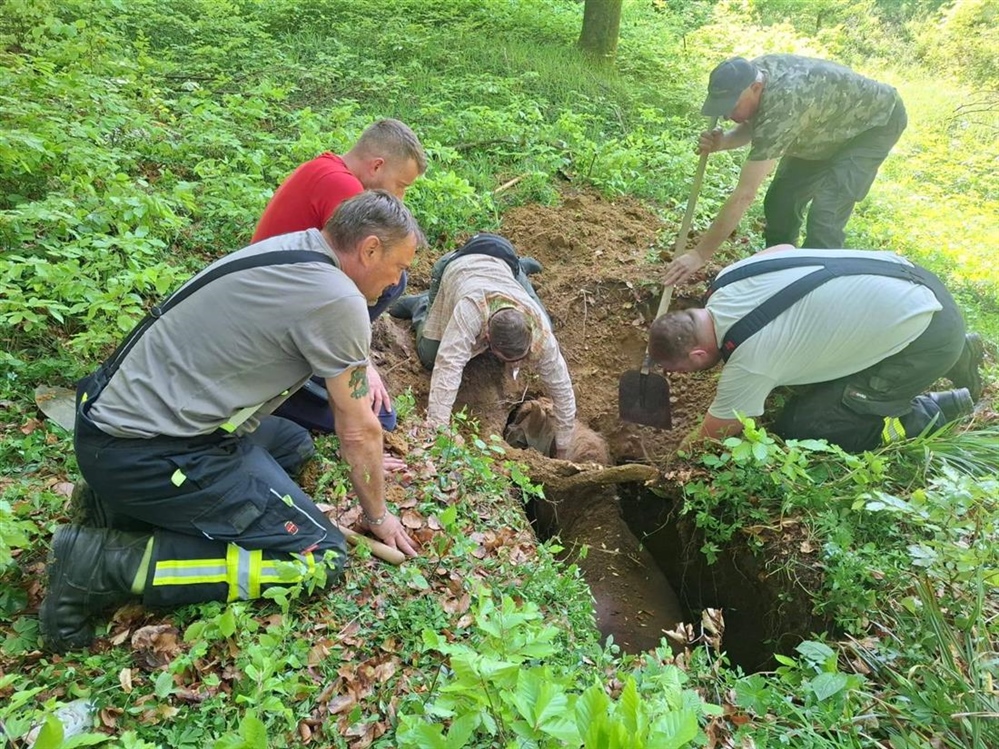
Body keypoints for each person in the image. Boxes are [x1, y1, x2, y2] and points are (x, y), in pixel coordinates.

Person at [41, 191, 424, 653]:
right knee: (318, 558)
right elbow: (359, 429)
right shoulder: (337, 298)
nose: (397, 281)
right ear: (369, 249)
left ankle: (114, 510)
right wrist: (377, 515)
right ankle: (97, 565)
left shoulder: (298, 247)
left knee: (291, 444)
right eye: (399, 266)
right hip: (145, 451)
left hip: (111, 425)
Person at [649, 245, 984, 452]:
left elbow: (714, 433)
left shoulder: (750, 362)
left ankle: (936, 409)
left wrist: (675, 456)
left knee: (804, 427)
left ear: (697, 355)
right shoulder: (728, 278)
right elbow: (783, 247)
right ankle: (961, 353)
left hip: (929, 337)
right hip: (911, 279)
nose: (682, 376)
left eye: (681, 370)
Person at [664, 55, 906, 287]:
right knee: (782, 201)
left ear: (755, 88)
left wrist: (699, 254)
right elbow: (757, 123)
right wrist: (724, 141)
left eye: (732, 106)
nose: (727, 116)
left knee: (826, 214)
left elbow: (744, 195)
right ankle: (780, 270)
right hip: (823, 125)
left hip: (873, 125)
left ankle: (813, 285)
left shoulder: (785, 103)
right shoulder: (752, 74)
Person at [254, 118, 427, 433]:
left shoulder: (324, 169)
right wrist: (359, 362)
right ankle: (290, 394)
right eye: (401, 185)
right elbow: (349, 283)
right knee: (381, 419)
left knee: (393, 279)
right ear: (377, 166)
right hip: (276, 333)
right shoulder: (344, 189)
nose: (400, 197)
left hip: (280, 308)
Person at [389, 233, 577, 458]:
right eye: (506, 358)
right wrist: (438, 429)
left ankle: (519, 271)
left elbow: (562, 388)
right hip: (457, 267)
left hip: (504, 262)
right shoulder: (470, 312)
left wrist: (563, 447)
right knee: (430, 355)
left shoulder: (539, 328)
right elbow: (448, 366)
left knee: (548, 322)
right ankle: (421, 305)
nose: (515, 364)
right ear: (487, 336)